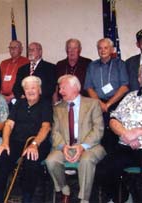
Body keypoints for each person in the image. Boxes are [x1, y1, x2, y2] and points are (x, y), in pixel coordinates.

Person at [46, 75, 105, 203]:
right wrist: (63, 147)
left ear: (75, 88)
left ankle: (84, 198)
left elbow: (98, 129)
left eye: (63, 87)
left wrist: (82, 146)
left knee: (86, 160)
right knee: (51, 161)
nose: (60, 91)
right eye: (60, 88)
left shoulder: (93, 104)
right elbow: (54, 132)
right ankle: (64, 188)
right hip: (66, 147)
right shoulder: (58, 108)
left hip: (90, 147)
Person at [0, 76, 52, 203]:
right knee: (1, 155)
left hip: (37, 142)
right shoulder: (19, 103)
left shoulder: (45, 104)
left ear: (39, 89)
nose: (30, 91)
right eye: (27, 88)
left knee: (31, 158)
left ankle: (28, 197)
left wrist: (35, 144)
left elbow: (46, 127)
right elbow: (9, 124)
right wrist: (5, 143)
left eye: (33, 88)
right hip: (17, 141)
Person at [96, 65, 142, 203]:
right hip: (125, 146)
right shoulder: (130, 97)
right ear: (139, 78)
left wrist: (138, 132)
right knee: (102, 170)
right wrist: (126, 135)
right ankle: (119, 196)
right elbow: (113, 119)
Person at [84, 38, 129, 153]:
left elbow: (125, 86)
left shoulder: (120, 64)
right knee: (100, 135)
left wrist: (108, 104)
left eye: (106, 48)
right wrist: (101, 103)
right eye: (100, 48)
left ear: (112, 49)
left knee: (115, 136)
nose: (102, 50)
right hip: (97, 104)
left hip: (116, 103)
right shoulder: (92, 66)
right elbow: (89, 87)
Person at [53, 38, 92, 103]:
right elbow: (56, 87)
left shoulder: (87, 63)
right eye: (69, 48)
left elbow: (91, 86)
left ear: (79, 50)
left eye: (75, 48)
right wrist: (55, 103)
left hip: (83, 101)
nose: (72, 51)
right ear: (66, 50)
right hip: (63, 101)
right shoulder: (60, 65)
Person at [0, 40, 29, 104]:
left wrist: (11, 96)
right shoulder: (3, 63)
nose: (12, 50)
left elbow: (26, 82)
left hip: (18, 98)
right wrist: (2, 96)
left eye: (15, 47)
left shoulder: (26, 62)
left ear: (21, 49)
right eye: (10, 48)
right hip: (2, 98)